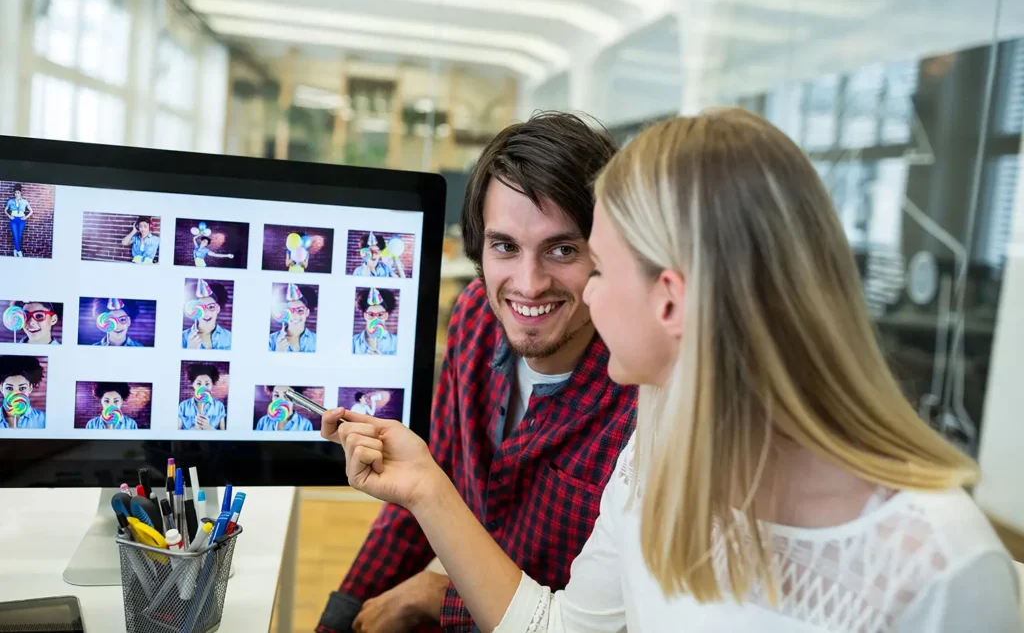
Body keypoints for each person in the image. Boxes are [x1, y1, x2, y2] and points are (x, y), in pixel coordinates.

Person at [324, 109, 1022, 633]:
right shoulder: (659, 445)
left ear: (671, 298)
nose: (584, 290)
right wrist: (425, 489)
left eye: (594, 259)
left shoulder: (945, 567)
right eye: (506, 246)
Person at [317, 111, 636, 633]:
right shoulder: (474, 319)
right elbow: (426, 484)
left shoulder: (637, 404)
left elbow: (589, 619)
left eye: (562, 249)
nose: (529, 285)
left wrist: (440, 594)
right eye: (505, 246)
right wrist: (341, 615)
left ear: (608, 254)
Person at [182, 280, 232, 350]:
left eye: (211, 307)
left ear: (218, 309)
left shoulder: (230, 337)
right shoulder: (182, 337)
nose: (206, 313)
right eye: (201, 308)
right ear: (194, 310)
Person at [0, 355, 46, 429]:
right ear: (1, 388)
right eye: (9, 388)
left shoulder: (44, 420)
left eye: (22, 388)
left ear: (30, 388)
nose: (16, 394)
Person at [269, 283, 318, 353]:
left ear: (307, 312)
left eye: (300, 310)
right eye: (290, 310)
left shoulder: (317, 340)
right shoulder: (270, 340)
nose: (295, 316)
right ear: (283, 312)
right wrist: (278, 352)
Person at [177, 363, 227, 430]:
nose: (203, 387)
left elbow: (223, 436)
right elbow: (177, 436)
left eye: (207, 384)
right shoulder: (183, 406)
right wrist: (195, 428)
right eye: (199, 383)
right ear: (193, 384)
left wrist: (208, 427)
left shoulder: (219, 406)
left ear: (212, 384)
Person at [351, 288, 398, 356]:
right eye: (371, 314)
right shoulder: (353, 342)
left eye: (380, 315)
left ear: (386, 316)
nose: (375, 319)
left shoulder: (396, 342)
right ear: (365, 315)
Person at [5, 183, 32, 257]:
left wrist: (26, 217)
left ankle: (15, 250)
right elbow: (5, 210)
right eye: (15, 193)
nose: (17, 194)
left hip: (21, 220)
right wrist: (9, 216)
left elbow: (31, 211)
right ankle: (19, 251)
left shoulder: (24, 201)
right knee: (15, 235)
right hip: (13, 219)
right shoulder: (10, 201)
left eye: (18, 192)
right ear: (14, 193)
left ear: (20, 193)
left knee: (19, 236)